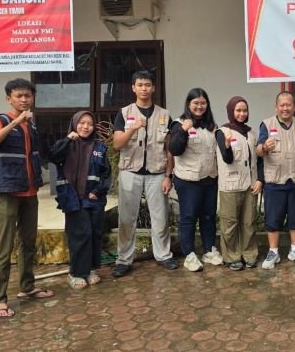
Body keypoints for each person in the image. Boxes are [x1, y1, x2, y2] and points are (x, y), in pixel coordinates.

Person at [0, 78, 53, 318]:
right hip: (7, 193)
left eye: (27, 96)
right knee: (4, 247)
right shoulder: (1, 120)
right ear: (8, 98)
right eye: (19, 96)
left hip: (29, 191)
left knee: (28, 242)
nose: (24, 100)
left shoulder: (31, 125)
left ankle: (27, 287)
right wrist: (15, 122)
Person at [112, 71, 177, 277]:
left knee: (160, 217)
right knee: (127, 218)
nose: (144, 88)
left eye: (147, 85)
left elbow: (170, 149)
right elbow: (116, 144)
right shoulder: (124, 113)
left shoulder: (164, 115)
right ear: (133, 88)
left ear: (153, 88)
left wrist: (168, 175)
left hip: (157, 173)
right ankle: (124, 259)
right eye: (139, 85)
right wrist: (132, 129)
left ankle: (164, 255)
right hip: (130, 171)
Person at [49, 110, 111, 289]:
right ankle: (76, 272)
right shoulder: (66, 145)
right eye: (82, 123)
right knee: (80, 235)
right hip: (73, 198)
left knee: (94, 233)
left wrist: (99, 191)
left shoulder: (99, 147)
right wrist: (68, 139)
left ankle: (90, 269)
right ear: (75, 124)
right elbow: (53, 156)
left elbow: (106, 173)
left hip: (93, 198)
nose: (86, 127)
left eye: (90, 124)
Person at [168, 88, 223, 271]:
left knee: (208, 216)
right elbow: (174, 149)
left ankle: (209, 250)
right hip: (188, 180)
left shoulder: (212, 127)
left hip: (209, 178)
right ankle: (189, 254)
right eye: (196, 103)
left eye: (203, 103)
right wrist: (184, 130)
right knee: (188, 217)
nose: (199, 107)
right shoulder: (178, 123)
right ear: (189, 104)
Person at [256, 91, 295, 269]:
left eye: (289, 105)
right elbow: (258, 151)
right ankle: (273, 252)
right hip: (274, 180)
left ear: (294, 107)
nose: (285, 108)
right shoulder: (266, 124)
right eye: (282, 105)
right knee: (273, 218)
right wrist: (264, 147)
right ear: (276, 107)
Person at [215, 96, 263, 270]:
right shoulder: (222, 132)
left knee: (249, 222)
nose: (242, 114)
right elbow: (227, 159)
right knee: (230, 223)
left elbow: (257, 160)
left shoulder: (251, 133)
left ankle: (249, 254)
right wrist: (227, 145)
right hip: (230, 185)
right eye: (238, 110)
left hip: (250, 184)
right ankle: (232, 256)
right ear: (231, 111)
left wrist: (259, 179)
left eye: (244, 110)